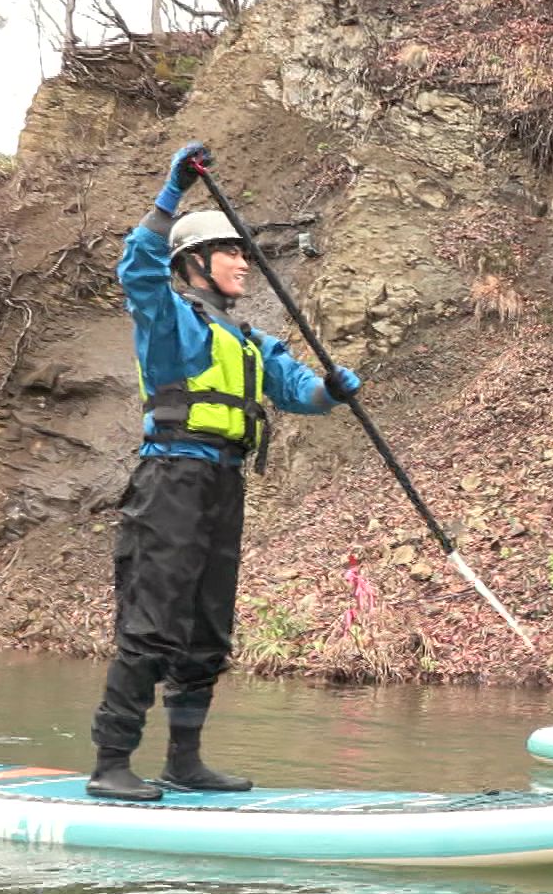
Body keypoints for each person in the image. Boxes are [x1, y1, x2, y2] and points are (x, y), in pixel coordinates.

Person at [86, 141, 362, 801]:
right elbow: (137, 268)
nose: (245, 262)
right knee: (152, 625)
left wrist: (333, 390)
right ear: (198, 262)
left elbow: (298, 393)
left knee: (208, 629)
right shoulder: (168, 319)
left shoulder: (250, 341)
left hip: (223, 487)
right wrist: (171, 193)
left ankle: (184, 762)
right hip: (170, 481)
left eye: (244, 252)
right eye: (233, 251)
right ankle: (111, 765)